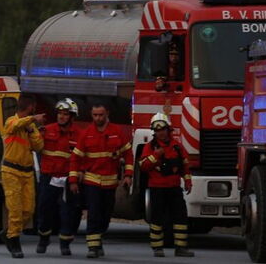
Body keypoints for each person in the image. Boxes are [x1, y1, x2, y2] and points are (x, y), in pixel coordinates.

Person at [68, 102, 133, 259]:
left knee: (105, 215)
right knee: (94, 213)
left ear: (107, 114)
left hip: (110, 183)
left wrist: (128, 175)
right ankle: (93, 246)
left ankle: (99, 238)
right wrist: (73, 180)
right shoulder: (86, 133)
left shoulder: (117, 132)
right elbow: (75, 158)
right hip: (92, 181)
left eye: (100, 115)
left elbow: (128, 154)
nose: (98, 118)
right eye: (95, 115)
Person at [139, 112, 194, 258]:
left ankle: (181, 248)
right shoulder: (150, 147)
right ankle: (157, 248)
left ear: (168, 129)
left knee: (180, 217)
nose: (160, 133)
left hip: (174, 188)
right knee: (157, 218)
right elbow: (143, 166)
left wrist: (188, 181)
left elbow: (185, 166)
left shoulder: (177, 146)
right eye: (157, 130)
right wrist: (156, 155)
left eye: (162, 129)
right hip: (157, 188)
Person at [36, 98, 83, 255]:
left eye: (65, 114)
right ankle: (44, 238)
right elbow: (34, 146)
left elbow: (83, 157)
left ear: (72, 117)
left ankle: (65, 243)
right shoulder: (46, 130)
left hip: (68, 178)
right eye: (59, 113)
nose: (61, 117)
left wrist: (79, 173)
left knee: (68, 212)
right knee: (44, 208)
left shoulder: (79, 135)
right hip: (48, 177)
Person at [1, 94, 45, 258]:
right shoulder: (11, 121)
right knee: (15, 209)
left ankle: (8, 232)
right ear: (30, 107)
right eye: (33, 107)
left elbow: (39, 146)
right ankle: (14, 241)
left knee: (28, 210)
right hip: (11, 171)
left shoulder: (30, 126)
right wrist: (32, 119)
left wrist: (32, 130)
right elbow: (15, 126)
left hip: (27, 172)